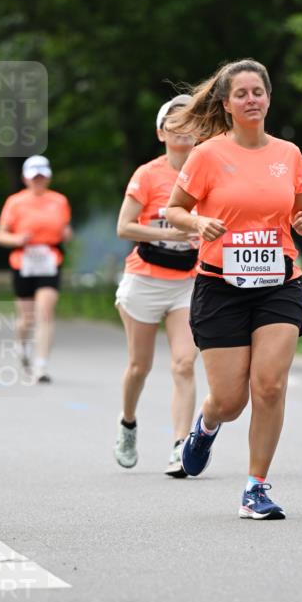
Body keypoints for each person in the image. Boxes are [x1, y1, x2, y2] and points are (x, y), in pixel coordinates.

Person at [165, 59, 302, 520]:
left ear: (269, 98)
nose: (252, 100)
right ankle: (205, 426)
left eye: (258, 92)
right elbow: (175, 211)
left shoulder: (288, 154)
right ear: (227, 105)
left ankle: (256, 487)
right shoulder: (208, 154)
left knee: (269, 386)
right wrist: (199, 221)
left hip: (278, 284)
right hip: (220, 286)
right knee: (231, 400)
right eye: (242, 94)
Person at [113, 95, 200, 477]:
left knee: (184, 362)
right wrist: (179, 233)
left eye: (190, 125)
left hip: (188, 281)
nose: (183, 132)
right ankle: (128, 422)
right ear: (161, 132)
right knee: (139, 366)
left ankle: (181, 445)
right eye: (174, 125)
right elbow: (124, 227)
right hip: (145, 278)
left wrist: (200, 234)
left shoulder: (207, 172)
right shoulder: (147, 174)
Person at [0, 155, 72, 384]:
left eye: (42, 176)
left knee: (45, 312)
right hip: (23, 261)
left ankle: (41, 365)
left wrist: (67, 234)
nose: (38, 181)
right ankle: (22, 344)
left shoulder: (59, 201)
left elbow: (66, 229)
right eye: (34, 177)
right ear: (25, 179)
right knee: (27, 318)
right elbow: (0, 235)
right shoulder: (15, 202)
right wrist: (18, 238)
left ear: (48, 177)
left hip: (49, 259)